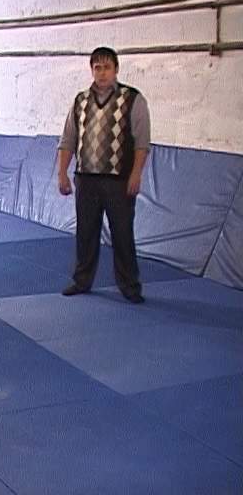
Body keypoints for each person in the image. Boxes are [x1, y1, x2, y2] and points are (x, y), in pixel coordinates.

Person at [57, 46, 151, 304]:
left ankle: (130, 286)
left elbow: (142, 142)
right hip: (86, 178)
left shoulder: (132, 99)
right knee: (85, 233)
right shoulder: (80, 101)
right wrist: (62, 173)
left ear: (116, 69)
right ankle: (82, 280)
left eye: (107, 67)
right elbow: (68, 139)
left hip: (118, 180)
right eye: (97, 67)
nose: (102, 73)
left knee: (122, 234)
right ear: (92, 70)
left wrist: (136, 174)